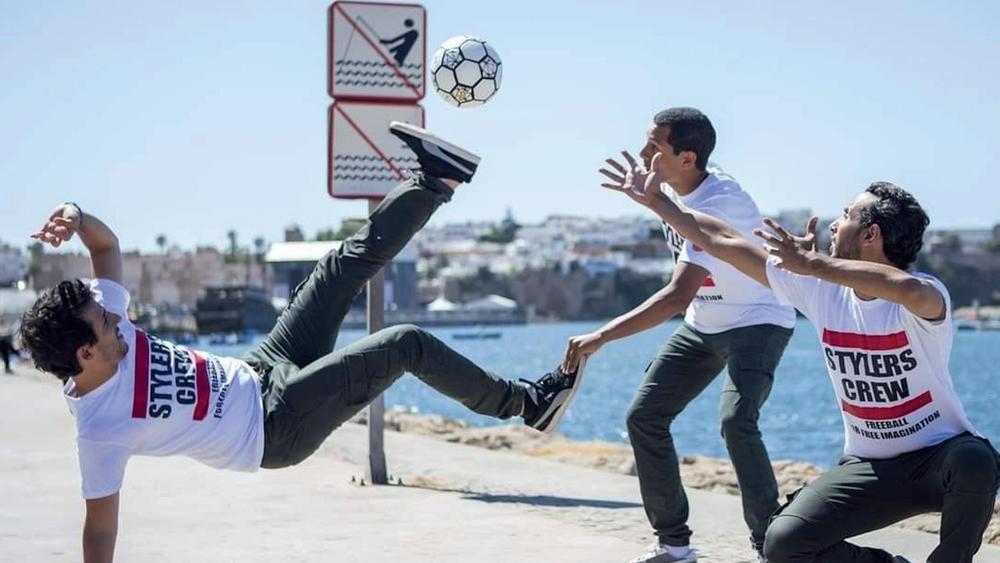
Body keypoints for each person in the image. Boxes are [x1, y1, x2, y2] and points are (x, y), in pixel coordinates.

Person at [18, 123, 582, 563]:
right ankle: (527, 404)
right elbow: (99, 527)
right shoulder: (100, 430)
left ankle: (437, 180)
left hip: (262, 367)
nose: (118, 320)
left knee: (335, 269)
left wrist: (76, 214)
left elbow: (106, 246)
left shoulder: (101, 325)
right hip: (274, 427)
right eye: (105, 325)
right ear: (84, 355)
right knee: (404, 343)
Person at [602, 147, 999, 563]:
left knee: (974, 458)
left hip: (939, 462)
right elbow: (722, 240)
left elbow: (905, 289)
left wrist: (814, 266)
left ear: (870, 235)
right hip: (871, 467)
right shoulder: (818, 289)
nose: (833, 224)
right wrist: (660, 204)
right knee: (782, 543)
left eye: (846, 215)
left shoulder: (924, 292)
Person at [563, 108, 795, 563]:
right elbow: (686, 299)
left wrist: (601, 337)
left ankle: (771, 546)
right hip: (704, 323)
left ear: (688, 158)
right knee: (644, 417)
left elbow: (675, 295)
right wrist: (649, 197)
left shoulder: (719, 202)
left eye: (655, 148)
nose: (644, 155)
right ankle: (674, 545)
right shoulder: (667, 187)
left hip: (757, 320)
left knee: (736, 421)